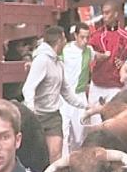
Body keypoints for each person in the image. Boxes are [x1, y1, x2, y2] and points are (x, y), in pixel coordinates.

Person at [22, 25, 88, 164]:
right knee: (36, 155)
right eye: (64, 39)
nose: (65, 42)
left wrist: (85, 105)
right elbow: (28, 88)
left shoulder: (59, 63)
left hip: (53, 115)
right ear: (59, 41)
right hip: (38, 114)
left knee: (55, 152)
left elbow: (66, 92)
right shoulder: (42, 60)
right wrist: (31, 111)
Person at [61, 22, 109, 155]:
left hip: (80, 96)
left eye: (87, 37)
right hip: (64, 97)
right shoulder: (65, 50)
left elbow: (97, 56)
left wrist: (106, 55)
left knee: (79, 135)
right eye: (82, 37)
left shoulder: (89, 51)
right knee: (64, 134)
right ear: (75, 35)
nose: (85, 41)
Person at [88, 1, 127, 106]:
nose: (104, 16)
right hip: (97, 85)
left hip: (116, 86)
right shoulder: (96, 36)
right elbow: (87, 56)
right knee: (94, 121)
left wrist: (125, 64)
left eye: (107, 13)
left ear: (115, 14)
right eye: (103, 13)